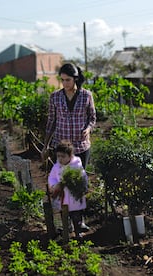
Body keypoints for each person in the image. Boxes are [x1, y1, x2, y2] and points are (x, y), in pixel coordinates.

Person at [42, 63, 96, 231]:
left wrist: (88, 129)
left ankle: (80, 221)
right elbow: (51, 122)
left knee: (78, 184)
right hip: (62, 149)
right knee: (62, 183)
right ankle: (69, 222)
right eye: (62, 80)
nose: (65, 83)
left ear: (76, 79)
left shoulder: (86, 96)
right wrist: (45, 146)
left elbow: (92, 118)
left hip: (81, 146)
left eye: (68, 80)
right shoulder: (55, 97)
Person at [48, 140, 88, 238]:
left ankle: (78, 233)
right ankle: (67, 231)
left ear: (70, 156)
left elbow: (83, 177)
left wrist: (81, 186)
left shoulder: (76, 165)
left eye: (63, 156)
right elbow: (51, 178)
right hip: (62, 197)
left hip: (75, 198)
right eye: (58, 156)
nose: (60, 159)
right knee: (64, 215)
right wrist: (54, 185)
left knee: (76, 215)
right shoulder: (56, 167)